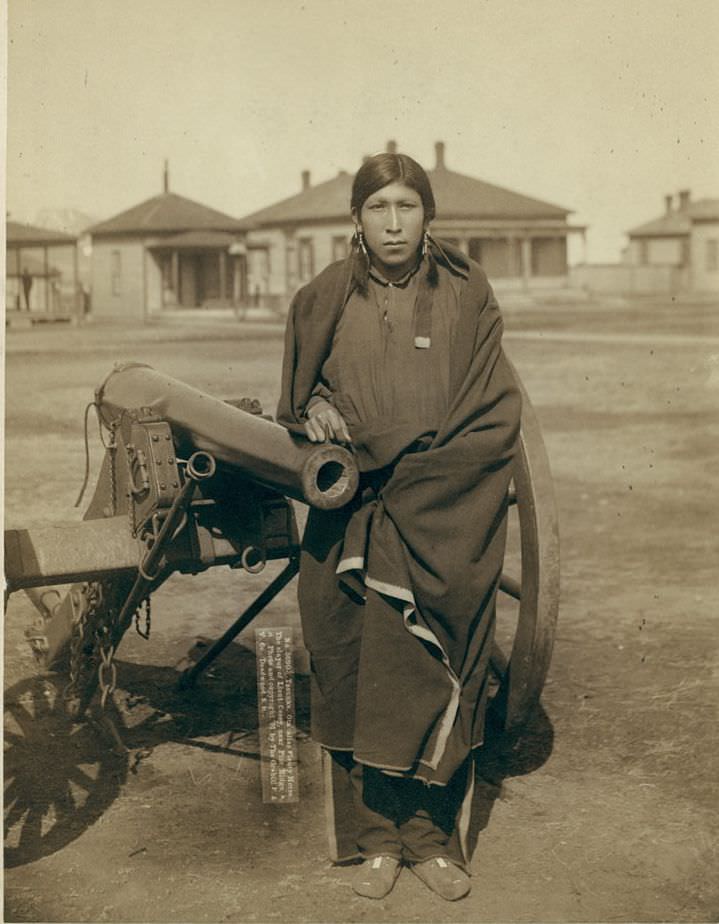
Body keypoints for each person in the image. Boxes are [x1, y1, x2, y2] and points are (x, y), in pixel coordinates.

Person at [278, 151, 521, 901]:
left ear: (428, 216)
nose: (392, 223)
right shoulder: (320, 298)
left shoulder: (466, 293)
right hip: (352, 517)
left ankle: (431, 842)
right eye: (377, 207)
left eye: (406, 207)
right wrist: (315, 408)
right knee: (355, 670)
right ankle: (375, 843)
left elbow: (491, 410)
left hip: (445, 512)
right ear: (355, 217)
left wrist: (413, 471)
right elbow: (295, 400)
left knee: (438, 665)